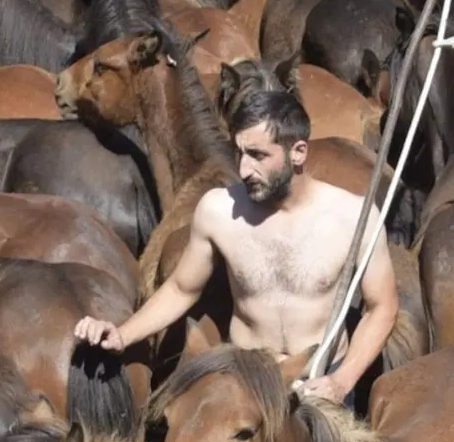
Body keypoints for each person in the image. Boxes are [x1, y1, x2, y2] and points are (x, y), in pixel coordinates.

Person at [74, 87, 399, 404]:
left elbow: (381, 307)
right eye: (239, 153)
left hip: (322, 382)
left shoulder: (354, 216)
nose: (244, 170)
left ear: (298, 152)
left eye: (258, 155)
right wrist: (123, 334)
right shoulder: (219, 210)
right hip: (247, 384)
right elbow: (182, 289)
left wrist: (341, 382)